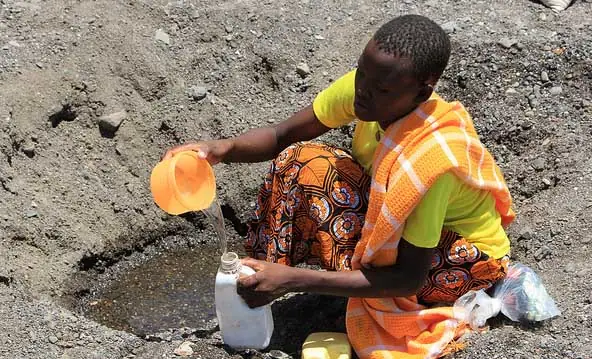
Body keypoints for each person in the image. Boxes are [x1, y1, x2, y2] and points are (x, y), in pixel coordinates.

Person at [164, 14, 515, 358]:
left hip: (460, 264)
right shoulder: (367, 90)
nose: (363, 91)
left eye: (381, 88)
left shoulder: (433, 160)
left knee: (320, 181)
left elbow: (407, 277)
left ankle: (283, 282)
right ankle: (257, 283)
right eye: (362, 72)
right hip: (406, 243)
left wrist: (297, 280)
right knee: (301, 161)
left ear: (423, 90)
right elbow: (280, 137)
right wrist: (219, 149)